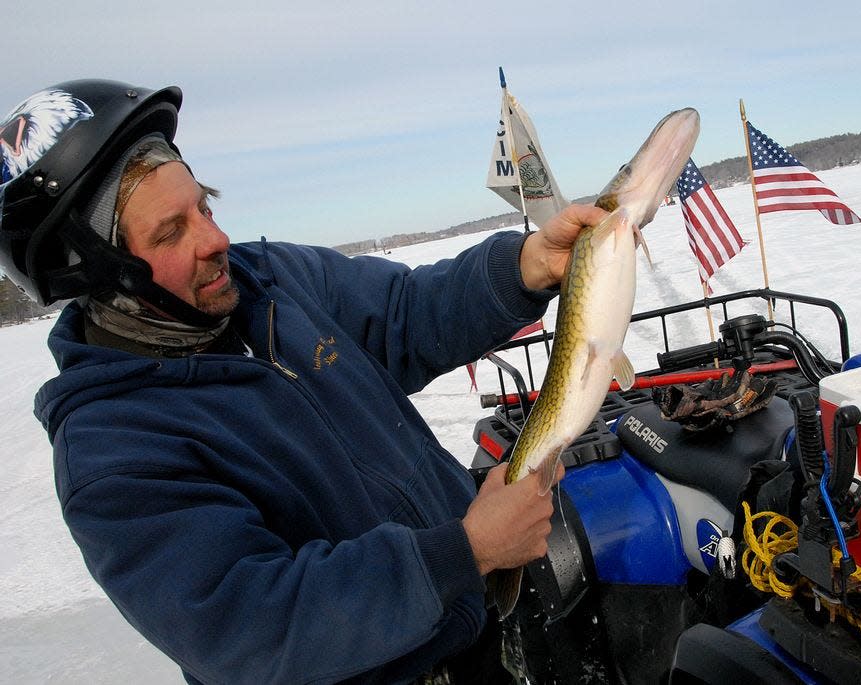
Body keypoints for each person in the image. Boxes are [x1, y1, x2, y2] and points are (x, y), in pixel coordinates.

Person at [0, 79, 608, 683]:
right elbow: (254, 626)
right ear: (103, 275)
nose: (216, 241)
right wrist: (467, 551)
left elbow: (403, 313)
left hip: (474, 640)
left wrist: (525, 267)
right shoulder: (116, 452)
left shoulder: (270, 281)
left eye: (203, 208)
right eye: (170, 233)